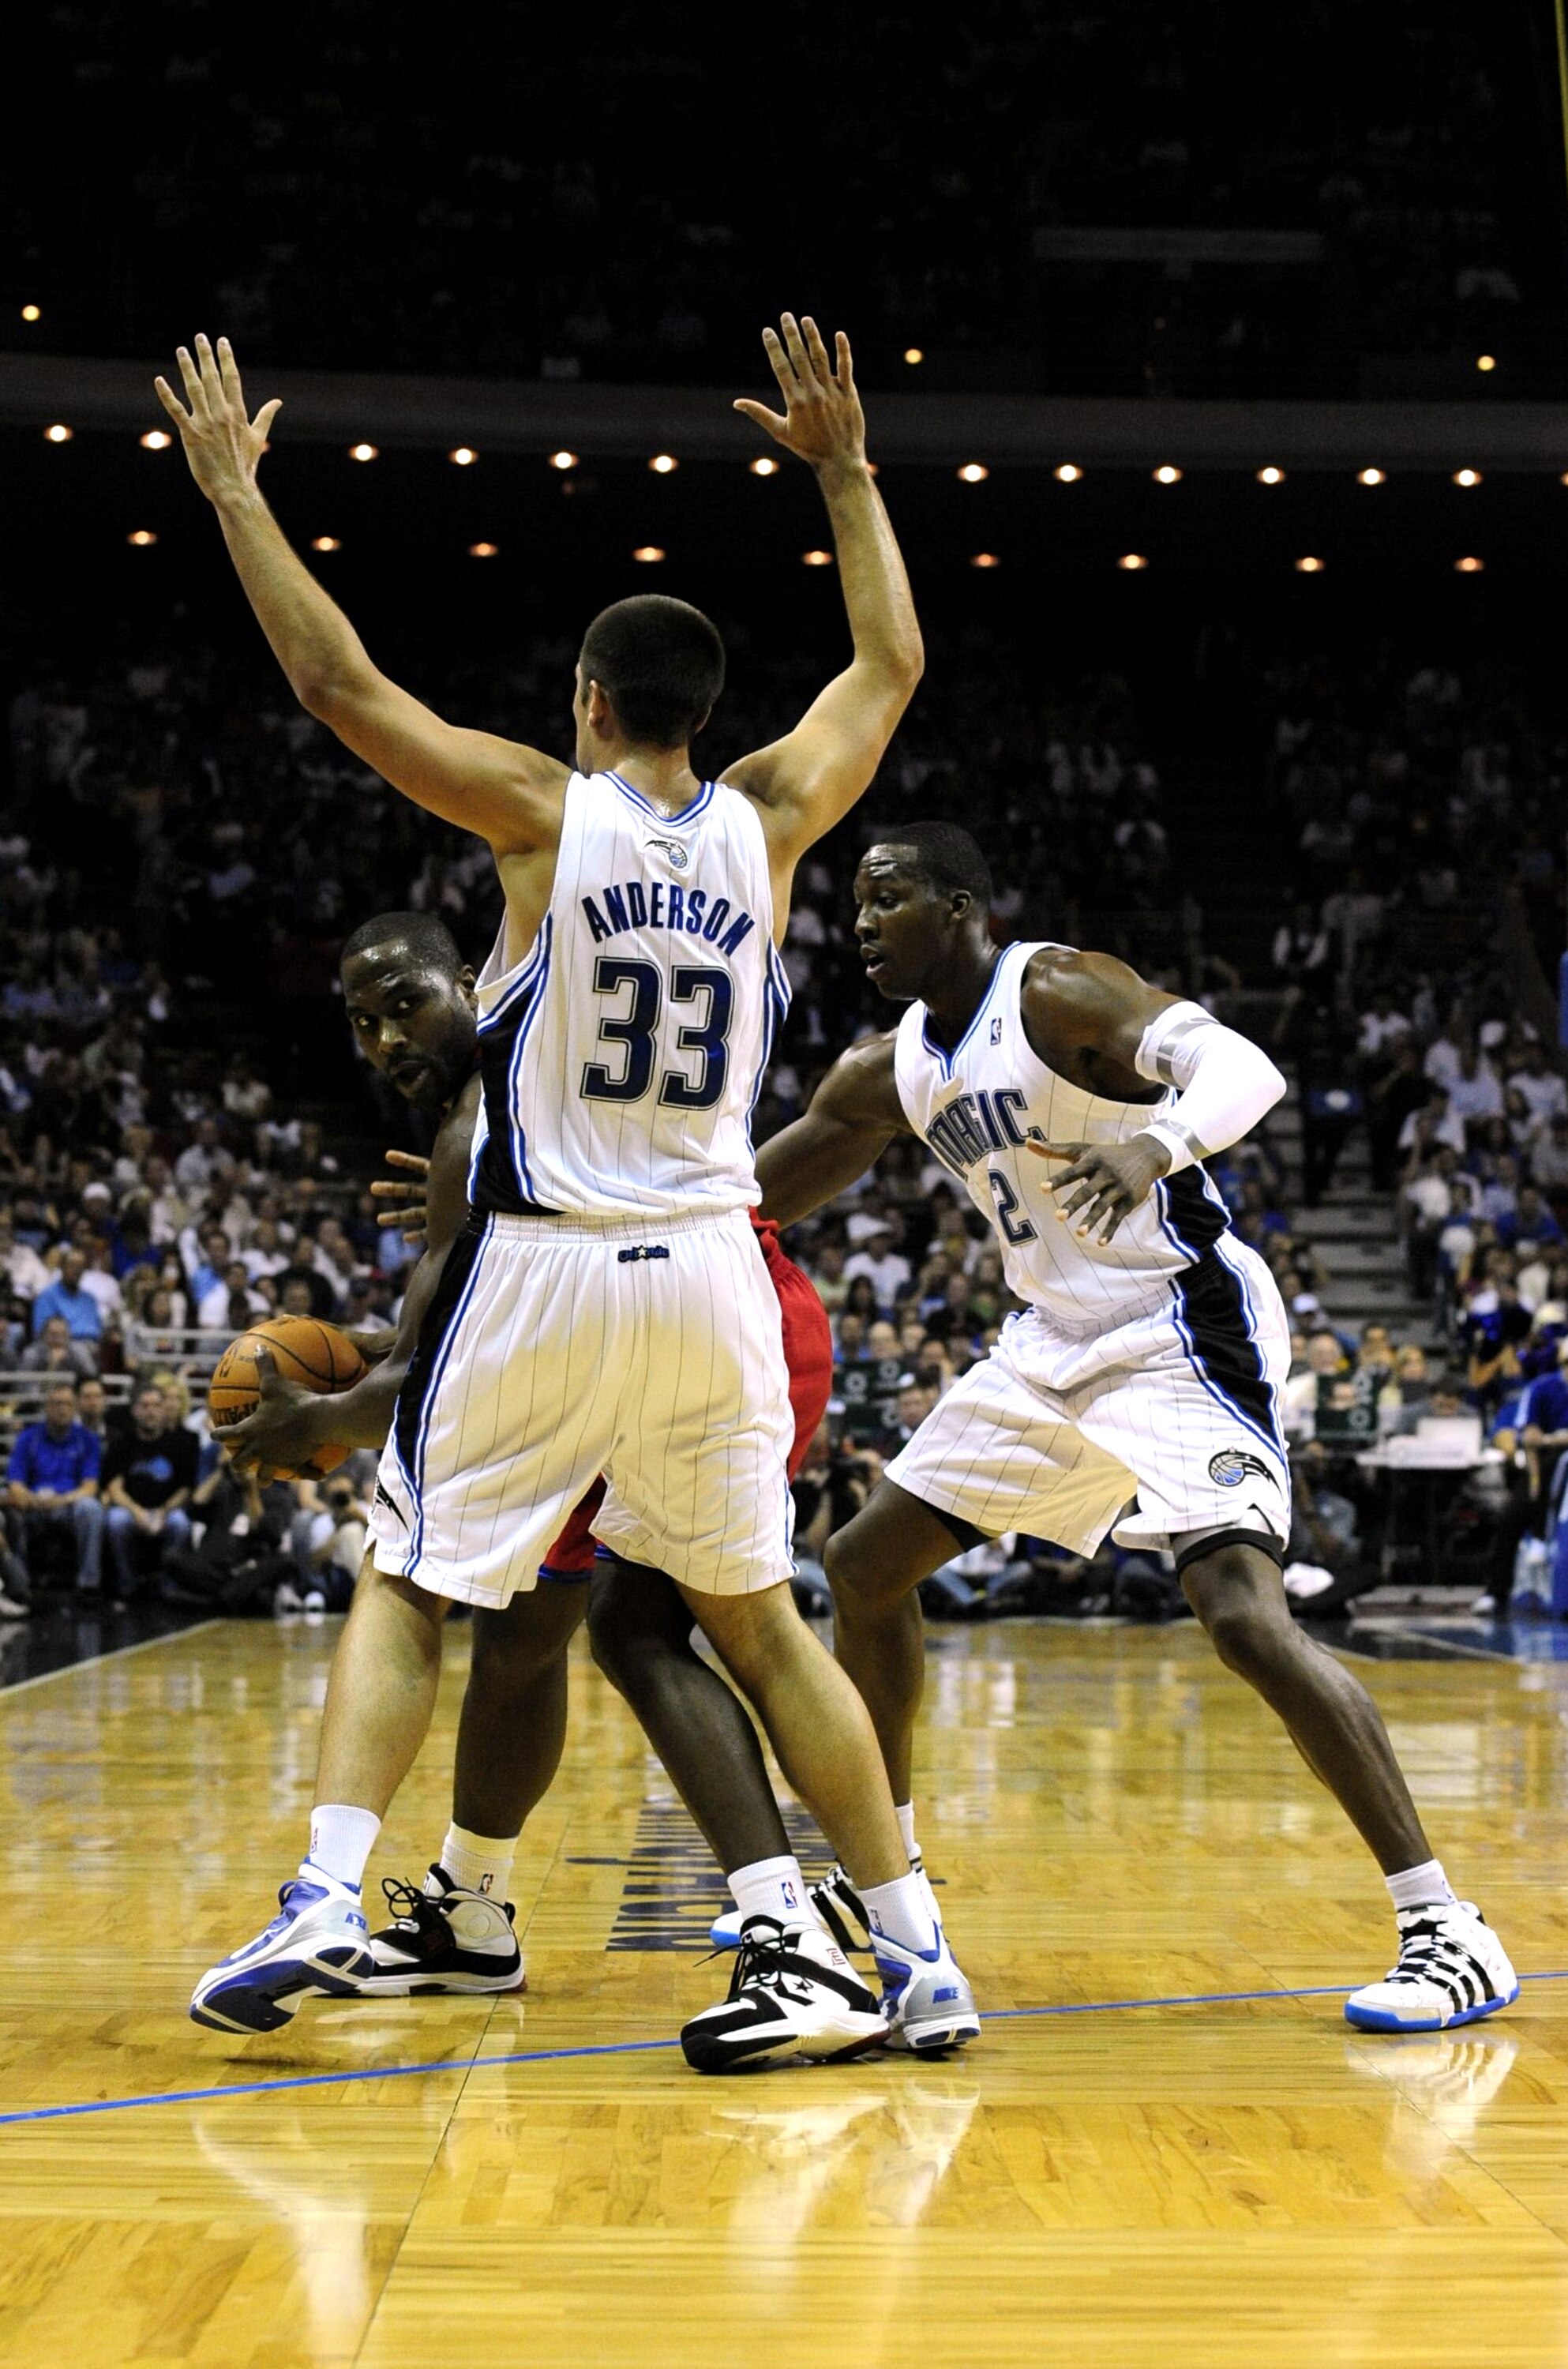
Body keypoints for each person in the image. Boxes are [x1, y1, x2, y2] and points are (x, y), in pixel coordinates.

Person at [163, 319, 970, 2063]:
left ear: (590, 704)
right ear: (706, 713)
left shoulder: (541, 817)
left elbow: (338, 688)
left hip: (548, 1268)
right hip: (710, 1279)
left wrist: (234, 493)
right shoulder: (769, 824)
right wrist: (843, 469)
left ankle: (324, 1892)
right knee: (756, 1623)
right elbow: (892, 661)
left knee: (411, 1581)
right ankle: (913, 1949)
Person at [749, 820, 1517, 2036]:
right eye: (853, 905)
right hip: (1047, 1343)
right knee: (862, 1565)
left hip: (1174, 1325)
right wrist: (526, 1203)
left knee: (1242, 1619)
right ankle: (880, 1882)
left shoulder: (1054, 988)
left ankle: (1445, 1927)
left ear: (961, 907)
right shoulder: (889, 1069)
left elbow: (1246, 1070)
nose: (859, 923)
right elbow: (746, 1198)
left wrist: (1156, 1139)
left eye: (886, 899)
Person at [226, 910, 926, 2071]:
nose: (387, 1035)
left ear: (475, 977)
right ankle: (474, 1914)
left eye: (406, 1002)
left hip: (693, 1327)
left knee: (648, 1627)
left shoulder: (485, 1112)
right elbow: (437, 1347)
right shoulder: (505, 1080)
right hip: (692, 1309)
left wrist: (318, 1419)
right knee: (531, 1627)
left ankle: (804, 1931)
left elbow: (420, 1372)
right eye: (361, 1021)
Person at [3, 1376, 103, 1600]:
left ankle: (89, 1584)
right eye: (56, 1403)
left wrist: (62, 1500)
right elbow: (15, 1483)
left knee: (91, 1509)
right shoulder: (28, 1438)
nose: (62, 1409)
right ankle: (19, 1585)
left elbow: (90, 1487)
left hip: (69, 1505)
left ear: (75, 1407)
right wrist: (29, 1498)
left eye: (67, 1404)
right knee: (11, 1509)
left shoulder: (87, 1440)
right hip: (34, 1504)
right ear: (47, 1407)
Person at [101, 1380, 199, 1598]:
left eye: (156, 1406)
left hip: (166, 1510)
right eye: (145, 1406)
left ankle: (169, 1584)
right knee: (115, 1521)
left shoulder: (180, 1444)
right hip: (131, 1510)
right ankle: (127, 1585)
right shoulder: (121, 1444)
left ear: (164, 1410)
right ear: (135, 1411)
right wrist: (138, 1513)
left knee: (180, 1523)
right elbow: (114, 1488)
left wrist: (162, 1513)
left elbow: (185, 1489)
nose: (150, 1411)